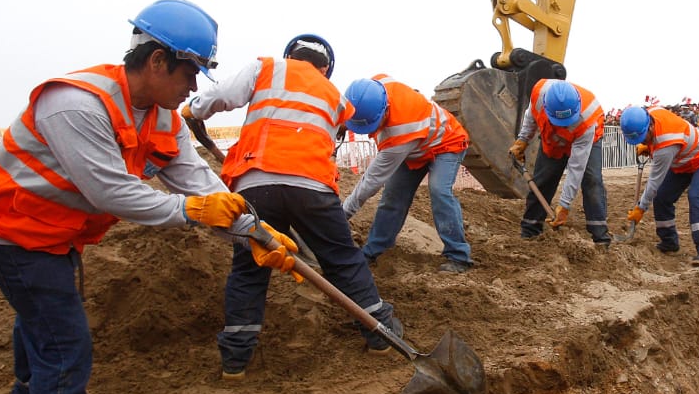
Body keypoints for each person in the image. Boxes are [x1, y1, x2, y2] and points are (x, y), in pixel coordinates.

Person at [0, 0, 295, 394]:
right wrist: (187, 213)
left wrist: (256, 234)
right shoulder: (76, 105)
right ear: (158, 61)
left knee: (43, 318)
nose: (194, 86)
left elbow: (203, 186)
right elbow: (110, 192)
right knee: (62, 340)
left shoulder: (164, 119)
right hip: (9, 232)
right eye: (191, 72)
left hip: (55, 234)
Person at [184, 34, 405, 376]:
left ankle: (235, 361)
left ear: (290, 54)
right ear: (326, 68)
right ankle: (380, 335)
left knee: (248, 268)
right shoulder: (335, 98)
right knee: (343, 260)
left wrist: (191, 109)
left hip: (256, 184)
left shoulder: (266, 68)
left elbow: (219, 97)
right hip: (313, 188)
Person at [340, 75, 474, 274]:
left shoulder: (399, 130)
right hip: (415, 147)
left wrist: (342, 215)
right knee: (393, 197)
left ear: (384, 111)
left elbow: (372, 181)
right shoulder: (374, 87)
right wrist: (344, 122)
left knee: (439, 191)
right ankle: (374, 251)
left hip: (445, 143)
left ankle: (459, 256)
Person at [506, 78, 611, 247]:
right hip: (552, 139)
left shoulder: (587, 119)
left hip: (587, 139)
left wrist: (564, 205)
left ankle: (600, 236)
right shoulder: (539, 95)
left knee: (591, 180)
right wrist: (523, 140)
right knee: (543, 178)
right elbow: (531, 115)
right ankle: (530, 229)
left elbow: (576, 169)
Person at [619, 104, 699, 263]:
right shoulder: (651, 113)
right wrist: (648, 144)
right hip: (682, 163)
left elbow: (654, 182)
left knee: (696, 195)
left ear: (650, 126)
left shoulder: (666, 144)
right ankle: (669, 242)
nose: (644, 141)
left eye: (644, 137)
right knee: (662, 198)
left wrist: (641, 208)